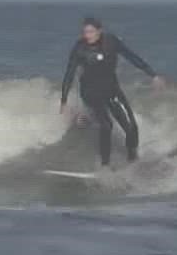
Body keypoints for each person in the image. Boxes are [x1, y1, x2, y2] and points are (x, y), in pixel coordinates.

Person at [59, 17, 166, 167]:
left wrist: (152, 74)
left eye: (90, 31)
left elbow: (131, 56)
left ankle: (132, 160)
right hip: (91, 92)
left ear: (99, 31)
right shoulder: (80, 48)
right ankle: (105, 166)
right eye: (85, 32)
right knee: (106, 125)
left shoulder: (111, 41)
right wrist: (63, 101)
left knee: (131, 126)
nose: (87, 35)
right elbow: (69, 74)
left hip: (111, 89)